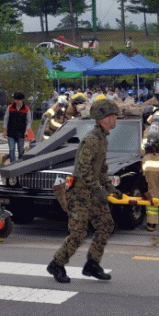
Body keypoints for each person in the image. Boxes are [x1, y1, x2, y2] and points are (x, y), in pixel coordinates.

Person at [47, 99, 121, 283]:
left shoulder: (102, 139)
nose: (115, 119)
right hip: (80, 194)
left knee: (106, 225)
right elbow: (83, 169)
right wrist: (99, 189)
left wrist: (109, 186)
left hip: (93, 193)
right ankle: (57, 264)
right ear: (102, 118)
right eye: (112, 116)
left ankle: (92, 264)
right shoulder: (92, 140)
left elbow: (101, 168)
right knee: (78, 234)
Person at [3, 92, 32, 163]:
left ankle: (20, 164)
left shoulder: (26, 109)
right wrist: (5, 130)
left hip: (21, 133)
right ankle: (12, 164)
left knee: (20, 151)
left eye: (19, 100)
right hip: (11, 132)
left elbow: (29, 121)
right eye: (16, 99)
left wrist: (26, 131)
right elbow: (6, 119)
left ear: (22, 100)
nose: (17, 101)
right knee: (11, 150)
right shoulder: (10, 108)